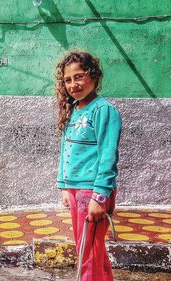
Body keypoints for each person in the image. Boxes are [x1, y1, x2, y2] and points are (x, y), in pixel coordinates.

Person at [54, 51, 122, 281]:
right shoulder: (73, 110)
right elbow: (65, 150)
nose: (74, 84)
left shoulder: (104, 110)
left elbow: (108, 157)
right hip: (75, 190)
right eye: (68, 79)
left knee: (88, 253)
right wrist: (63, 186)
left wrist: (99, 196)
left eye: (79, 76)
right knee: (90, 250)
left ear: (93, 76)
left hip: (92, 191)